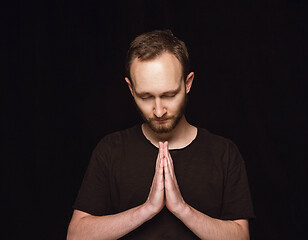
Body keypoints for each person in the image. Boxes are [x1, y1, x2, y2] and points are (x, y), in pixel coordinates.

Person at [67, 29, 255, 240]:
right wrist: (147, 209)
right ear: (131, 88)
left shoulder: (223, 153)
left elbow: (241, 237)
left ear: (188, 83)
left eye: (169, 95)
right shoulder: (111, 150)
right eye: (146, 96)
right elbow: (76, 236)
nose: (158, 111)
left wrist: (182, 209)